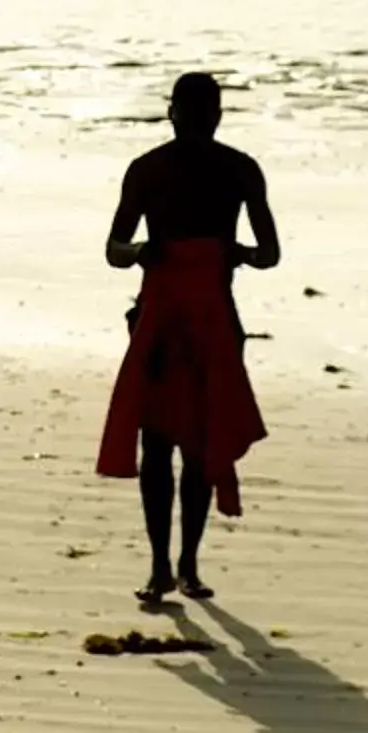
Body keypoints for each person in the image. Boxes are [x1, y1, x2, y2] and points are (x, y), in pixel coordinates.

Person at [95, 70, 280, 608]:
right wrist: (233, 252)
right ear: (211, 114)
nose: (198, 120)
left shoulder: (151, 168)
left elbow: (114, 248)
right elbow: (269, 254)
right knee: (193, 440)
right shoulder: (240, 170)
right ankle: (179, 567)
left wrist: (142, 254)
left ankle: (167, 569)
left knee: (168, 444)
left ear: (172, 111)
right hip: (200, 319)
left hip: (172, 317)